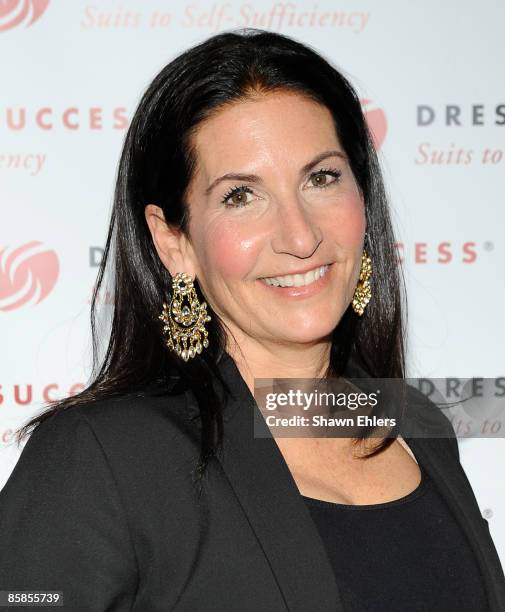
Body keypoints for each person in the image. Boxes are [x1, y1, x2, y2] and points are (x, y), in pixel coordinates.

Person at [0, 28, 503, 611]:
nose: (300, 236)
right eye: (241, 196)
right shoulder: (105, 457)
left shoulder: (416, 426)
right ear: (174, 241)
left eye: (322, 178)